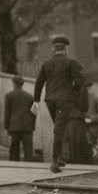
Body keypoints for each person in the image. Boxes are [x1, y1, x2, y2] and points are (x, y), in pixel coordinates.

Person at [33, 37, 84, 173]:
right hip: (64, 101)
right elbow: (79, 82)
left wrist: (36, 100)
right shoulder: (71, 63)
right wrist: (73, 94)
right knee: (60, 129)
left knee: (58, 126)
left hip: (50, 100)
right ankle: (54, 161)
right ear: (66, 49)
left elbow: (38, 83)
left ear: (53, 49)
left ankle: (59, 157)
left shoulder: (47, 64)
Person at [4, 75, 35, 162]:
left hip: (14, 127)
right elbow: (34, 112)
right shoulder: (30, 96)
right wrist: (32, 126)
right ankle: (30, 171)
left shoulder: (9, 95)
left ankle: (14, 171)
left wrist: (7, 127)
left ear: (13, 83)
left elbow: (7, 113)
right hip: (28, 127)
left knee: (14, 152)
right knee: (28, 152)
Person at [63, 82, 93, 164]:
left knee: (70, 144)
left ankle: (73, 163)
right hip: (77, 119)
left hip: (66, 119)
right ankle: (80, 164)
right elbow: (84, 107)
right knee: (79, 143)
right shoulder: (82, 88)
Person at [84, 80, 98, 158]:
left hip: (93, 131)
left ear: (89, 88)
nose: (85, 89)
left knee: (93, 155)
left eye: (87, 87)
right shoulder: (75, 100)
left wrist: (91, 119)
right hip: (81, 131)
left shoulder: (96, 99)